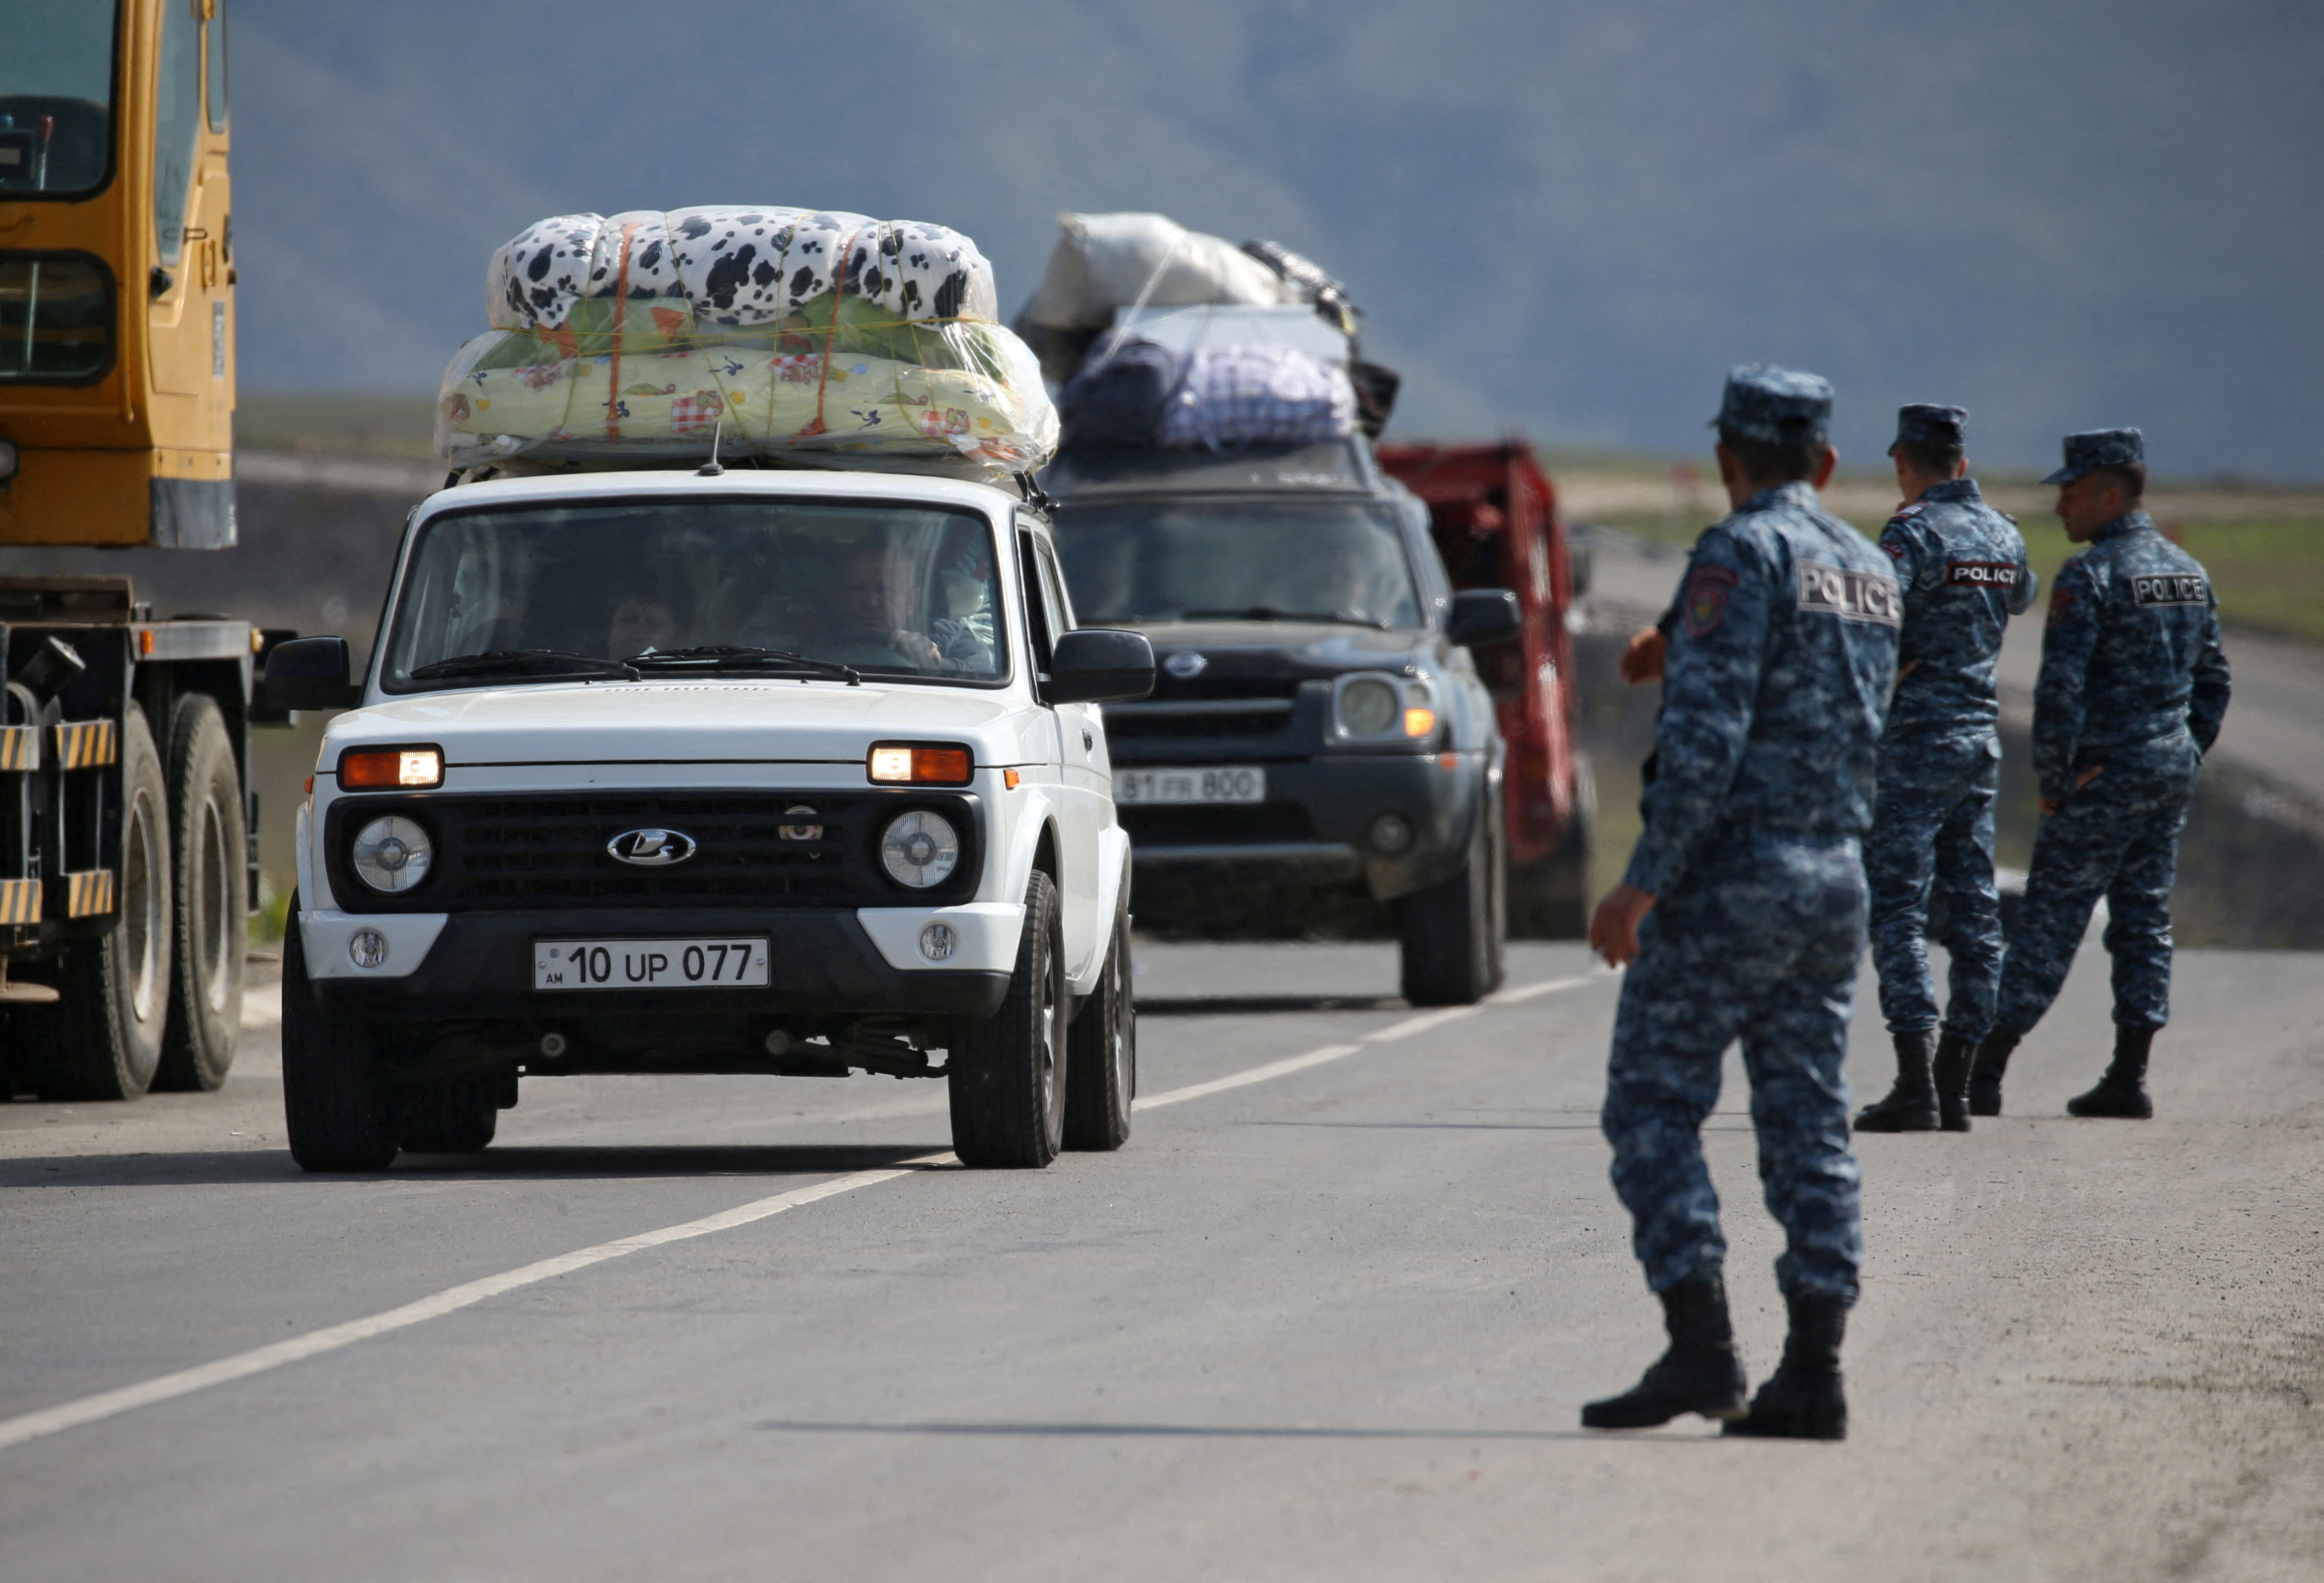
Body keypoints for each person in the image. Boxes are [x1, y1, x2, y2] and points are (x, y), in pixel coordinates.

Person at [1582, 366, 1899, 1442]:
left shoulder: (1736, 552)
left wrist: (1641, 882)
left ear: (1727, 458)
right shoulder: (1867, 567)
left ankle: (1702, 1349)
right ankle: (1814, 1371)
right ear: (1824, 464)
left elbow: (1709, 745)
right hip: (1833, 876)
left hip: (1734, 879)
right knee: (1809, 1121)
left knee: (1651, 1105)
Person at [1971, 430, 2229, 1119]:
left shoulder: (2092, 577)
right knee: (2144, 917)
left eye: (2072, 491)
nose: (2061, 506)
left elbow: (2059, 693)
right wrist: (2182, 749)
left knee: (2051, 917)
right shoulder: (2189, 572)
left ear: (2111, 494)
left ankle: (1984, 1069)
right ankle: (2130, 1073)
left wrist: (2056, 782)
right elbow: (2215, 683)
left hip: (2103, 776)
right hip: (2166, 772)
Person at [1853, 406, 2036, 1135]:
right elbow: (2019, 596)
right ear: (1962, 462)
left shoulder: (1912, 533)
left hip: (1915, 742)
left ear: (1904, 463)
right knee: (1973, 910)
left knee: (1897, 905)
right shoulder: (2004, 532)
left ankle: (1913, 1082)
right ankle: (1955, 1083)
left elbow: (1871, 617)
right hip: (1978, 742)